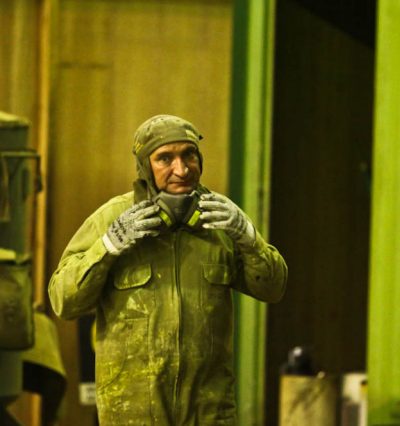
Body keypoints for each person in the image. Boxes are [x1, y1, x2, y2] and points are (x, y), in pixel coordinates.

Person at [48, 114, 287, 425]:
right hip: (132, 413)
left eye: (189, 155)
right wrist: (107, 246)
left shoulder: (221, 219)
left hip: (207, 413)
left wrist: (248, 237)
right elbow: (63, 301)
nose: (182, 169)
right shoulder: (112, 218)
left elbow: (273, 288)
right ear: (145, 166)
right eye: (165, 158)